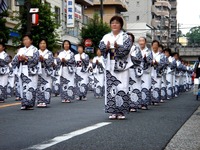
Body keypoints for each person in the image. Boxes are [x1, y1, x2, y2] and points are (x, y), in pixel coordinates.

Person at [99, 15, 132, 120]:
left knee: (122, 86)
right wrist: (106, 47)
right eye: (112, 22)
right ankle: (112, 110)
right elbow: (101, 47)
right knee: (111, 87)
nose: (114, 24)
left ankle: (121, 111)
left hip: (122, 65)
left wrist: (118, 47)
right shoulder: (106, 36)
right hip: (110, 63)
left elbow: (127, 49)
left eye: (117, 23)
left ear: (121, 25)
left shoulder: (125, 36)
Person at [12, 34, 39, 110]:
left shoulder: (35, 49)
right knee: (23, 86)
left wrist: (26, 58)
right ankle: (24, 103)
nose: (25, 41)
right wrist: (19, 59)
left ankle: (30, 104)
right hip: (23, 69)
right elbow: (14, 60)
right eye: (24, 40)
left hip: (31, 70)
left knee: (31, 85)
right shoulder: (21, 50)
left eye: (27, 39)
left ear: (31, 41)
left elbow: (36, 60)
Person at [127, 33, 143, 112]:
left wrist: (131, 56)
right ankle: (125, 104)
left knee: (134, 87)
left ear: (133, 40)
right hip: (125, 70)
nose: (128, 40)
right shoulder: (122, 48)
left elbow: (139, 59)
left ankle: (134, 104)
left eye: (130, 39)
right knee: (126, 87)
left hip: (133, 70)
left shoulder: (136, 48)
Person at [36, 39, 54, 107]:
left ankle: (45, 101)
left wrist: (44, 59)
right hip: (39, 71)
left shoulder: (49, 53)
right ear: (39, 44)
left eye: (44, 43)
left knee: (47, 85)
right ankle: (40, 100)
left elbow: (50, 62)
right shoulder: (36, 52)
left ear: (46, 44)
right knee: (39, 85)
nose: (42, 45)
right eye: (41, 43)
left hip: (46, 71)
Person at [139, 37, 153, 110]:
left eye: (143, 41)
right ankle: (137, 103)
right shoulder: (136, 50)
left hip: (146, 72)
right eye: (140, 41)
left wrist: (145, 59)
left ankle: (144, 103)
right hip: (137, 72)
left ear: (145, 42)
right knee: (138, 87)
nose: (141, 42)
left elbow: (150, 61)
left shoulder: (148, 51)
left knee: (145, 87)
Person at [151, 40, 165, 105]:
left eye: (156, 45)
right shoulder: (149, 53)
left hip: (158, 72)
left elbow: (163, 63)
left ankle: (156, 99)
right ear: (152, 46)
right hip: (150, 71)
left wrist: (157, 63)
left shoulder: (162, 55)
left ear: (158, 46)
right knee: (150, 85)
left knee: (157, 85)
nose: (155, 46)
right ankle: (150, 100)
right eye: (154, 45)